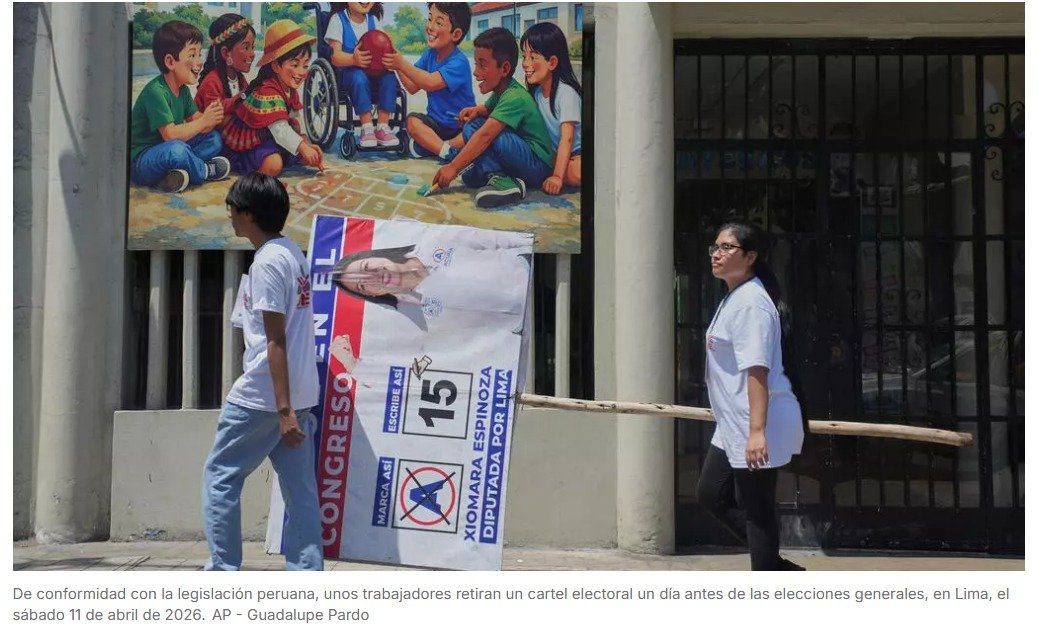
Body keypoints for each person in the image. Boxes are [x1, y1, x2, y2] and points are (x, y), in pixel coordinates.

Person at [202, 173, 322, 571]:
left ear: (250, 215)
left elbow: (276, 339)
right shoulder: (290, 253)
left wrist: (283, 411)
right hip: (297, 392)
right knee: (300, 491)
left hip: (263, 397)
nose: (230, 215)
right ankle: (307, 573)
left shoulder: (268, 262)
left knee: (220, 477)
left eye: (233, 208)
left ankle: (223, 572)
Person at [695, 221, 806, 571]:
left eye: (727, 247)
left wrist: (757, 432)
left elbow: (757, 370)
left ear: (751, 256)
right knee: (711, 494)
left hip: (757, 420)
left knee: (756, 509)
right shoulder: (735, 297)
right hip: (732, 422)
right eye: (715, 246)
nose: (717, 253)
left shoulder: (751, 304)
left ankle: (769, 570)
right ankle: (775, 564)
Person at [431, 27, 555, 209]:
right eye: (475, 64)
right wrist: (476, 110)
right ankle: (495, 174)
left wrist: (453, 167)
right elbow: (488, 109)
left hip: (537, 166)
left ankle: (505, 182)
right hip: (521, 157)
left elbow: (485, 135)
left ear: (504, 68)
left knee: (479, 130)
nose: (475, 72)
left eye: (482, 65)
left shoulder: (514, 97)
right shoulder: (502, 90)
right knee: (471, 168)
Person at [129, 20, 230, 193]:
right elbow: (170, 135)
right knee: (177, 150)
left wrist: (211, 118)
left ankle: (173, 176)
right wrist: (203, 122)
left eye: (199, 55)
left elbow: (196, 120)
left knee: (213, 139)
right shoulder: (156, 91)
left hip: (167, 150)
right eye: (192, 55)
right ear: (170, 62)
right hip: (142, 160)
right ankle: (205, 170)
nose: (199, 62)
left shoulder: (182, 90)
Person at [221, 19, 325, 176]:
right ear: (276, 66)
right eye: (295, 65)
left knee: (306, 155)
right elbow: (280, 130)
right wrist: (303, 148)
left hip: (272, 138)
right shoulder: (267, 91)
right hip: (253, 143)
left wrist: (306, 144)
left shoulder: (289, 89)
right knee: (274, 165)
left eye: (305, 65)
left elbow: (294, 118)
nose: (301, 72)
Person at [382, 3, 475, 159]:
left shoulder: (459, 62)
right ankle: (446, 151)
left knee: (475, 130)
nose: (430, 27)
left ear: (456, 34)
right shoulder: (429, 54)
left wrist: (401, 64)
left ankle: (435, 147)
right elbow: (412, 87)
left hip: (460, 125)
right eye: (430, 19)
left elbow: (430, 83)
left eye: (438, 23)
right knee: (412, 121)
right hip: (436, 124)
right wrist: (396, 61)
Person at [326, 2, 400, 147]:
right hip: (348, 72)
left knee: (389, 77)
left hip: (374, 72)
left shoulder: (373, 20)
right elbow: (335, 57)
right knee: (358, 77)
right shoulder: (338, 20)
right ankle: (367, 127)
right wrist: (353, 60)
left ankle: (382, 127)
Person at [520, 22, 581, 193]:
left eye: (533, 57)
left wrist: (557, 177)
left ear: (552, 62)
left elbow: (567, 138)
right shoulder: (537, 93)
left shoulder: (566, 93)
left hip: (575, 155)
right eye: (524, 56)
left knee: (577, 173)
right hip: (551, 154)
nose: (525, 63)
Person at [195, 13, 256, 127]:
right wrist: (242, 97)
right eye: (246, 48)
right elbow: (216, 116)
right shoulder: (212, 81)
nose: (252, 54)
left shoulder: (240, 79)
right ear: (226, 53)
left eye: (252, 47)